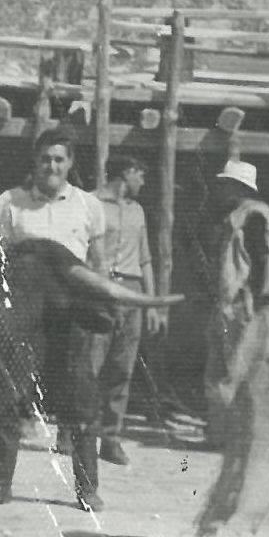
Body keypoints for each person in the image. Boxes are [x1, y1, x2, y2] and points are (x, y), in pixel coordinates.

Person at [0, 127, 107, 513]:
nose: (52, 165)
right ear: (35, 161)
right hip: (22, 317)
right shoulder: (10, 202)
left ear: (70, 164)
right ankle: (0, 486)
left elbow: (98, 261)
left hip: (70, 317)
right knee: (8, 400)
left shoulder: (88, 205)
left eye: (59, 159)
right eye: (45, 158)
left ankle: (87, 490)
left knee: (81, 405)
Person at [200, 158, 269, 445]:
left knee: (237, 366)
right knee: (224, 365)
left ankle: (234, 434)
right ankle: (221, 431)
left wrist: (260, 300)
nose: (220, 189)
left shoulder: (254, 216)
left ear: (237, 186)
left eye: (225, 184)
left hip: (244, 303)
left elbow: (265, 259)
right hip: (232, 301)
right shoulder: (241, 214)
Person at [88, 155, 164, 466]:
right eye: (140, 176)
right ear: (127, 172)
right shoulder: (90, 203)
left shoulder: (138, 211)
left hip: (131, 292)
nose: (143, 183)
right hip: (100, 290)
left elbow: (145, 259)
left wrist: (152, 304)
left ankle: (111, 438)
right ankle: (73, 433)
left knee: (122, 367)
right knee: (89, 365)